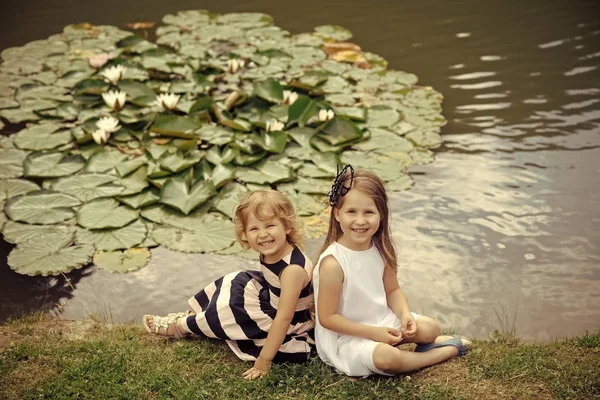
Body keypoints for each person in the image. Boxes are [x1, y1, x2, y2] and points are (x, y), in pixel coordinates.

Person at [313, 165, 471, 377]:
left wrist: (405, 314)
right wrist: (373, 333)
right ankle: (439, 354)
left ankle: (421, 344)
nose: (360, 221)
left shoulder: (380, 249)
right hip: (347, 337)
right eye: (352, 212)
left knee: (430, 328)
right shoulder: (333, 263)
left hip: (380, 321)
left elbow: (392, 291)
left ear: (381, 215)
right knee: (387, 359)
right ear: (337, 214)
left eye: (369, 212)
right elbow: (327, 318)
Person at [143, 190, 314, 380]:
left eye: (270, 225)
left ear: (287, 227)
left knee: (229, 313)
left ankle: (181, 327)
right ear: (245, 234)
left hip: (289, 321)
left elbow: (283, 318)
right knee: (234, 282)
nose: (263, 234)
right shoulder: (274, 249)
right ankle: (198, 316)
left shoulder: (292, 270)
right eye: (254, 229)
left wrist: (263, 362)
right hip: (271, 298)